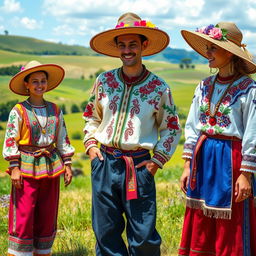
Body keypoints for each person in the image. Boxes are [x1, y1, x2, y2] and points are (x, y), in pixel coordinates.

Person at [83, 12, 181, 256]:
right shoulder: (103, 81)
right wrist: (92, 148)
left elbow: (171, 127)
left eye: (133, 45)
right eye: (122, 45)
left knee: (143, 236)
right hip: (104, 163)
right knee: (105, 233)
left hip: (138, 166)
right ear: (117, 47)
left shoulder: (159, 87)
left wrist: (155, 163)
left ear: (144, 46)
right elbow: (91, 117)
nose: (127, 50)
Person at [179, 22, 256, 255]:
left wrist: (245, 174)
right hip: (203, 157)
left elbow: (253, 131)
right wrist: (186, 164)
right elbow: (192, 126)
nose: (207, 53)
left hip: (231, 160)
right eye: (207, 48)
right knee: (202, 216)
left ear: (230, 53)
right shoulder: (203, 86)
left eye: (213, 48)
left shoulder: (249, 90)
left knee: (230, 221)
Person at [3, 60, 75, 256]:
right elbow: (11, 139)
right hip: (25, 165)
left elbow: (62, 138)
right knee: (25, 213)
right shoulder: (18, 111)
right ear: (26, 84)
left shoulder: (55, 110)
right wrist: (14, 167)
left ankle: (42, 252)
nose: (39, 85)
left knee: (47, 212)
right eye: (34, 81)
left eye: (43, 80)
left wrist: (67, 164)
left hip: (50, 166)